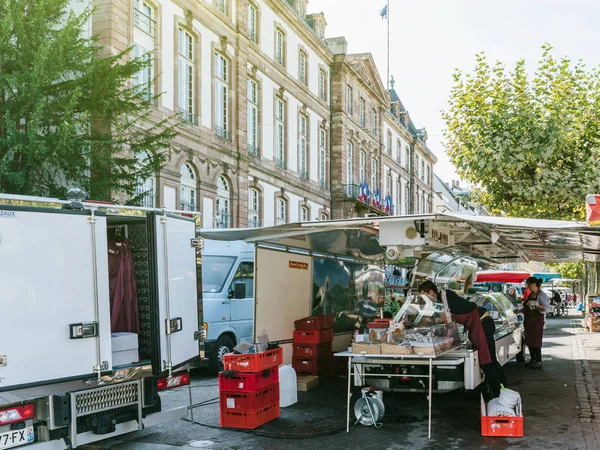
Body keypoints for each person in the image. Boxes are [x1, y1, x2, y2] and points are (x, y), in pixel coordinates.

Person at [418, 280, 506, 398]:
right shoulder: (443, 298)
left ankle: (500, 395)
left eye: (425, 295)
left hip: (482, 324)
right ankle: (502, 389)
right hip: (480, 324)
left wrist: (428, 322)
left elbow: (445, 318)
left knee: (487, 362)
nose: (425, 299)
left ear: (431, 292)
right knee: (490, 360)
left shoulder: (445, 296)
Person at [523, 277, 549, 369]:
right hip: (529, 320)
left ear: (535, 284)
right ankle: (532, 359)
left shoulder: (542, 295)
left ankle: (538, 361)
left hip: (537, 320)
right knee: (529, 340)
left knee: (536, 341)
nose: (528, 286)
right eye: (527, 284)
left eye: (530, 284)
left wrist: (537, 305)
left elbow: (545, 308)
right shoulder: (530, 294)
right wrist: (519, 311)